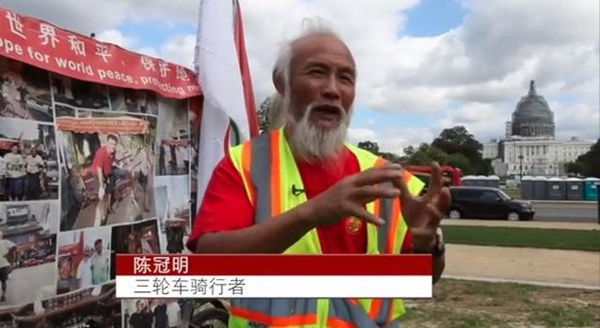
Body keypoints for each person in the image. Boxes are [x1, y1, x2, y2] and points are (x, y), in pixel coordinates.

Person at [187, 18, 449, 327]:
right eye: (316, 72)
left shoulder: (386, 177)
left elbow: (421, 280)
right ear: (282, 83)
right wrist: (310, 214)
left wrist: (428, 246)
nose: (332, 90)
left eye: (346, 78)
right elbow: (209, 264)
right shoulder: (243, 164)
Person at [0, 231, 16, 302]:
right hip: (4, 265)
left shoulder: (4, 242)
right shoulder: (5, 242)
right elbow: (14, 247)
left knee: (3, 281)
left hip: (3, 265)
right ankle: (3, 295)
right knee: (3, 281)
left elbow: (14, 247)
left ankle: (3, 295)